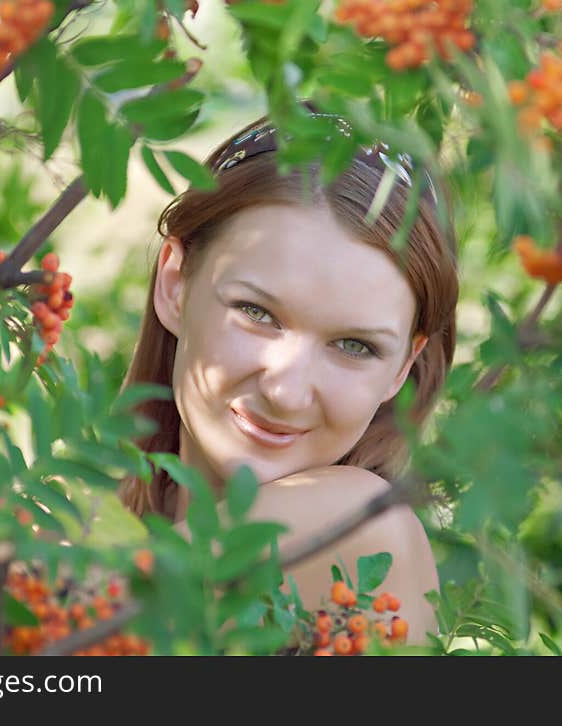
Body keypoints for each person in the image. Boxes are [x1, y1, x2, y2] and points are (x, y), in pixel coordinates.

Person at [117, 107, 460, 647]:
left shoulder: (365, 529)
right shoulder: (78, 512)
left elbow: (80, 610)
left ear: (402, 368)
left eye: (354, 346)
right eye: (257, 313)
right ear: (176, 283)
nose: (285, 390)